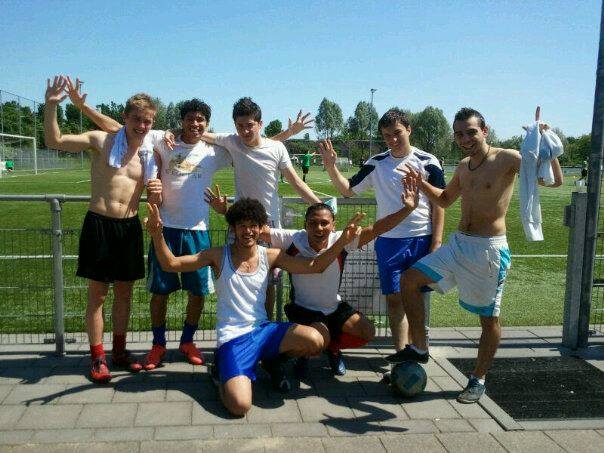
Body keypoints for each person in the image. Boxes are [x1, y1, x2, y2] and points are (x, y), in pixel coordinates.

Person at [393, 107, 563, 403]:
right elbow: (445, 200)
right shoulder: (463, 166)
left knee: (488, 319)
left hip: (489, 251)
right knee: (409, 280)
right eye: (459, 134)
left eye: (471, 132)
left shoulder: (507, 158)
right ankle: (419, 347)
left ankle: (478, 378)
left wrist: (547, 144)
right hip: (459, 245)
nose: (465, 139)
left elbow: (552, 180)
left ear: (485, 131)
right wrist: (420, 183)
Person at [65, 80, 233, 370]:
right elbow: (117, 126)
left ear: (207, 123)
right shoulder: (159, 138)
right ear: (181, 120)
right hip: (164, 227)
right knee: (160, 291)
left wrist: (284, 136)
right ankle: (158, 345)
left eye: (200, 120)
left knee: (197, 292)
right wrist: (83, 107)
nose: (195, 124)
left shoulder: (213, 151)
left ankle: (188, 341)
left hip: (198, 230)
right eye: (190, 118)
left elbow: (248, 144)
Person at [144, 198, 364, 416]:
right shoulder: (218, 255)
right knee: (239, 406)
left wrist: (341, 242)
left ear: (261, 228)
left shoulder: (271, 255)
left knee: (316, 340)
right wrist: (157, 234)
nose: (248, 231)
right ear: (233, 228)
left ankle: (272, 361)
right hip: (234, 337)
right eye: (242, 225)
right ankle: (220, 372)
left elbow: (315, 266)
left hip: (263, 330)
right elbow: (170, 264)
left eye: (253, 226)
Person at [44, 76, 163, 383]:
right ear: (126, 118)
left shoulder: (150, 154)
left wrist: (157, 193)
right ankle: (97, 357)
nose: (142, 126)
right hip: (99, 224)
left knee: (124, 294)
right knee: (97, 295)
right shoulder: (102, 140)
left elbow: (155, 199)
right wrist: (52, 106)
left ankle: (119, 352)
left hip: (129, 227)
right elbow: (55, 141)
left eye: (147, 121)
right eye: (136, 119)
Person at [263, 178, 420, 377]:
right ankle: (295, 354)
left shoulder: (342, 239)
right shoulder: (292, 239)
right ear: (305, 225)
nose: (319, 228)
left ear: (333, 225)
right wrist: (228, 213)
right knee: (318, 340)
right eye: (313, 223)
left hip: (333, 308)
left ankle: (332, 349)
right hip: (303, 310)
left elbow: (378, 228)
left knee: (367, 331)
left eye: (324, 223)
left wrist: (407, 209)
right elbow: (258, 231)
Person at [318, 109, 445, 353]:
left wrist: (436, 242)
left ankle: (418, 351)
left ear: (409, 130)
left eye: (397, 133)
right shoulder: (376, 163)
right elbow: (347, 190)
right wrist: (331, 166)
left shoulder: (428, 161)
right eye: (387, 135)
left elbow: (439, 204)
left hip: (421, 238)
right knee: (394, 300)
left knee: (418, 300)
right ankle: (401, 354)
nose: (393, 139)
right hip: (388, 240)